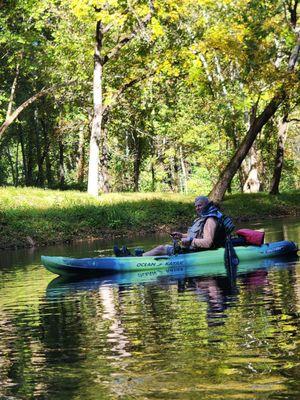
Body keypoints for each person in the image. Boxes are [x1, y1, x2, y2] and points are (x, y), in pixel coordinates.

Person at [142, 195, 225, 257]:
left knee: (160, 249)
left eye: (199, 205)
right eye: (196, 206)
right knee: (165, 247)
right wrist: (181, 235)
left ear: (207, 205)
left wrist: (190, 241)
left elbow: (208, 243)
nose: (197, 208)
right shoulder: (204, 218)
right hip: (195, 249)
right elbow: (197, 235)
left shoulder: (210, 220)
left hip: (198, 252)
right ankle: (141, 256)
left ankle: (138, 259)